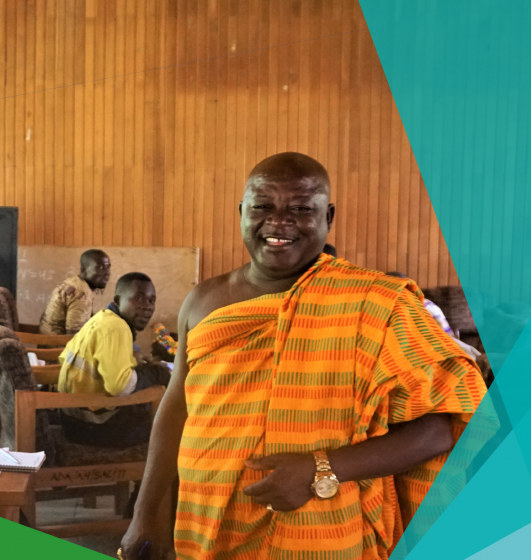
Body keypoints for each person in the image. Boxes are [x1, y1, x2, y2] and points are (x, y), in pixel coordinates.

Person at [120, 153, 487, 560]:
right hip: (207, 522)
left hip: (323, 525)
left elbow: (442, 426)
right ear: (242, 212)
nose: (279, 221)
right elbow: (176, 408)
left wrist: (322, 468)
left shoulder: (378, 304)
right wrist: (145, 511)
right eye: (263, 206)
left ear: (328, 215)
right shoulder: (203, 300)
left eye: (300, 208)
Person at [57, 273, 170, 448]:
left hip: (71, 418)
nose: (147, 306)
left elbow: (65, 358)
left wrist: (131, 359)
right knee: (170, 425)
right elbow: (121, 386)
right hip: (94, 424)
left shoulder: (102, 318)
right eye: (139, 298)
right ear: (117, 300)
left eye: (151, 300)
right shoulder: (117, 328)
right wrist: (157, 372)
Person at [39, 249, 112, 335]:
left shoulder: (72, 282)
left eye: (108, 267)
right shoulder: (81, 293)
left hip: (46, 344)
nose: (107, 273)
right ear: (84, 269)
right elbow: (74, 337)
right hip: (57, 347)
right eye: (100, 267)